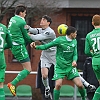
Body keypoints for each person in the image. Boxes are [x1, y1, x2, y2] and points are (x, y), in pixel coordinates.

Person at [31, 26, 86, 100]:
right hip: (60, 67)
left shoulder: (74, 41)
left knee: (80, 85)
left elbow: (75, 54)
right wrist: (36, 47)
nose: (76, 35)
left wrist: (74, 61)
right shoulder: (59, 40)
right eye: (75, 33)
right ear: (71, 34)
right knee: (58, 85)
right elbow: (46, 46)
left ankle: (83, 98)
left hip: (70, 67)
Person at [25, 15, 56, 99]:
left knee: (60, 76)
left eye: (44, 20)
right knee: (44, 75)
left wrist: (26, 35)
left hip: (54, 56)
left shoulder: (50, 32)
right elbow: (34, 30)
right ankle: (47, 88)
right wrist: (26, 27)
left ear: (48, 23)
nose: (41, 21)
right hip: (45, 55)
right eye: (41, 19)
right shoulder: (42, 29)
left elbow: (37, 37)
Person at [7, 5, 33, 96]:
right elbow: (26, 36)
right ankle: (12, 83)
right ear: (21, 12)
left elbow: (20, 33)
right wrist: (35, 40)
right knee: (28, 69)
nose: (25, 15)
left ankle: (12, 83)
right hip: (19, 47)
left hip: (13, 45)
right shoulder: (22, 21)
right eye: (25, 13)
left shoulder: (12, 19)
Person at [85, 14, 100, 100]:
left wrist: (94, 54)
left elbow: (87, 51)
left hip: (95, 63)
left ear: (92, 23)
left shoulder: (88, 35)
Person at [0, 15, 12, 100]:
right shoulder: (4, 28)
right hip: (1, 58)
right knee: (1, 85)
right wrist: (2, 47)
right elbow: (10, 44)